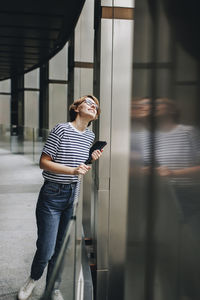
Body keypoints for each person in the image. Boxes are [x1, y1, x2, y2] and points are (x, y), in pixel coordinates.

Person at [18, 95, 103, 300]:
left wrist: (90, 160)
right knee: (46, 249)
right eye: (89, 103)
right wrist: (73, 171)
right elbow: (44, 162)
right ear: (76, 108)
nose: (93, 106)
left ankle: (53, 287)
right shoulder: (61, 129)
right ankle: (33, 279)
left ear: (95, 116)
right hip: (52, 194)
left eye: (96, 106)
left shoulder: (90, 137)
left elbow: (79, 167)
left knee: (60, 249)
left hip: (72, 195)